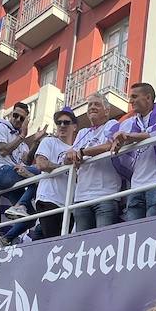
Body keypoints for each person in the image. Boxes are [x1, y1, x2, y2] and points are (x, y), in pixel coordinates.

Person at [0, 102, 45, 246]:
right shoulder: (1, 128)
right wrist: (22, 136)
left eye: (22, 118)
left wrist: (36, 143)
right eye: (15, 115)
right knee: (41, 173)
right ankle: (21, 205)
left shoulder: (22, 142)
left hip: (13, 180)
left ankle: (4, 240)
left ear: (26, 121)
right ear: (11, 115)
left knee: (31, 217)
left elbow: (27, 161)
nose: (18, 120)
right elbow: (3, 151)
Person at [65, 93, 125, 232]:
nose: (92, 107)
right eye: (90, 105)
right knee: (82, 246)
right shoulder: (82, 133)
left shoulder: (112, 124)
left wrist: (83, 152)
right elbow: (67, 157)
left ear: (107, 111)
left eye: (97, 104)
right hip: (81, 197)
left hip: (105, 194)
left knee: (102, 241)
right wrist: (70, 155)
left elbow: (110, 145)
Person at [113, 81, 156, 221]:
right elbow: (112, 137)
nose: (130, 101)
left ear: (148, 98)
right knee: (133, 233)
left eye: (134, 97)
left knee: (153, 231)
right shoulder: (130, 122)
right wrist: (117, 140)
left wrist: (129, 137)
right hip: (136, 184)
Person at [33, 109, 80, 239]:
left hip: (68, 204)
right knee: (54, 243)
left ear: (74, 126)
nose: (62, 126)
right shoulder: (49, 141)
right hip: (48, 199)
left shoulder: (77, 147)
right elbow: (41, 164)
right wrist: (63, 167)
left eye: (66, 122)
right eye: (59, 123)